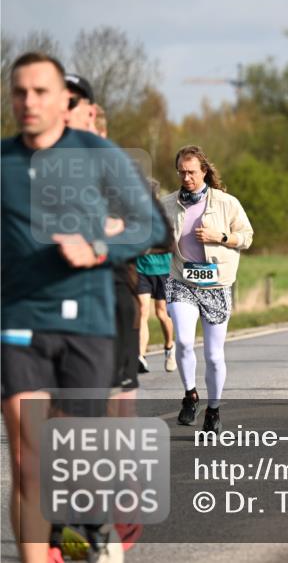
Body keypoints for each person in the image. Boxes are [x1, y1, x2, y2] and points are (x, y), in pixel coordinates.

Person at [2, 52, 167, 563]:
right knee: (28, 461)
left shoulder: (99, 155)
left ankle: (87, 526)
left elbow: (152, 227)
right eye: (19, 92)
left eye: (41, 92)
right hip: (21, 323)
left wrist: (97, 247)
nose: (29, 102)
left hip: (89, 325)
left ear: (64, 101)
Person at [164, 145, 253, 433]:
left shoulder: (227, 203)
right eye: (181, 172)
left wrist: (221, 236)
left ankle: (213, 410)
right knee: (184, 341)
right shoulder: (167, 204)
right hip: (182, 280)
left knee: (214, 355)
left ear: (204, 171)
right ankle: (190, 395)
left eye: (191, 172)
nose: (186, 177)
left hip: (216, 284)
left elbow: (247, 237)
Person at [137, 179, 177, 373]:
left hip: (163, 270)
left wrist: (147, 249)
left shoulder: (164, 218)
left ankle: (169, 347)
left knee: (162, 313)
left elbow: (171, 245)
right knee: (142, 312)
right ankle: (140, 356)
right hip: (141, 270)